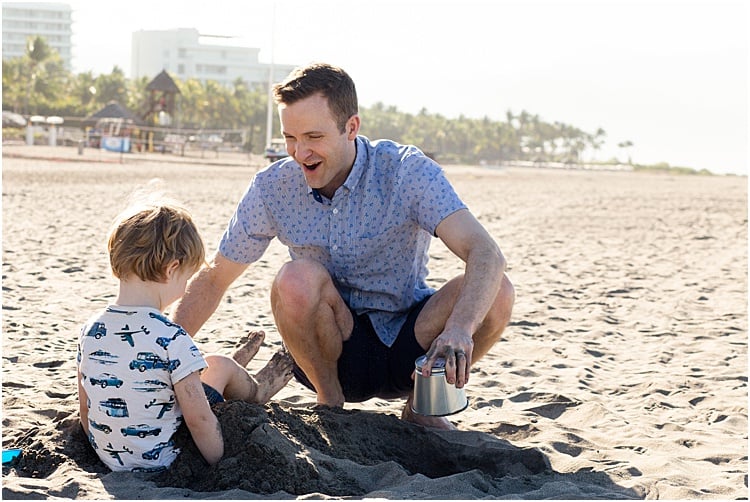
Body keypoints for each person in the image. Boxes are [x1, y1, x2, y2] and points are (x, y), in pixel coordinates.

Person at [173, 62, 515, 430]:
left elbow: (486, 252)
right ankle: (329, 404)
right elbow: (214, 278)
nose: (299, 152)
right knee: (295, 278)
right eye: (290, 138)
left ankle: (421, 409)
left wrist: (461, 328)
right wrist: (162, 350)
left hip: (411, 345)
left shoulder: (405, 171)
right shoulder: (272, 188)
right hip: (331, 352)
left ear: (351, 127)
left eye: (313, 137)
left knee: (498, 291)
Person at [77, 199, 293, 472]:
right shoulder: (171, 337)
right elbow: (199, 420)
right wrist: (220, 465)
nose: (186, 285)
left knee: (190, 371)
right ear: (171, 270)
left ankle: (234, 370)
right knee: (218, 365)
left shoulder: (90, 330)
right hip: (169, 458)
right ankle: (255, 389)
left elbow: (85, 408)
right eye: (186, 278)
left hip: (109, 458)